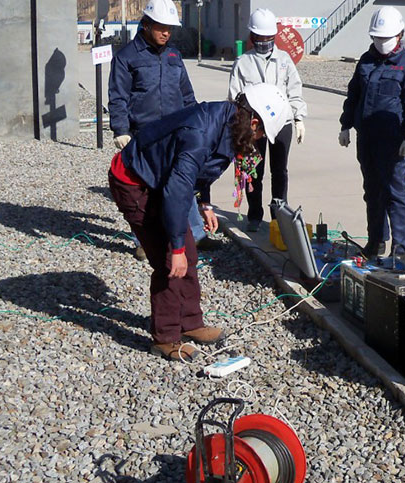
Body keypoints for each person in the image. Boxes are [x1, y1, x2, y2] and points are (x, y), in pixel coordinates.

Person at [107, 84, 290, 361]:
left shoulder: (230, 124)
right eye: (262, 132)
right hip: (134, 182)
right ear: (254, 122)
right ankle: (165, 338)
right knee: (170, 262)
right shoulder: (202, 132)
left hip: (161, 179)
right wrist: (177, 247)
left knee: (189, 255)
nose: (260, 139)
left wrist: (205, 205)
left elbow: (200, 171)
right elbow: (176, 191)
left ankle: (190, 323)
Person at [107, 0, 208, 258]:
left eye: (170, 28)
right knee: (145, 190)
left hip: (175, 133)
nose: (166, 33)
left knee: (181, 183)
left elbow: (187, 95)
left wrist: (197, 122)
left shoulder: (174, 56)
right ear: (147, 24)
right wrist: (121, 130)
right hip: (143, 135)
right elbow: (118, 97)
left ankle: (195, 234)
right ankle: (144, 239)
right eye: (161, 27)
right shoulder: (127, 57)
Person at [338, 6, 405, 261]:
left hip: (393, 142)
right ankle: (376, 240)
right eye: (377, 38)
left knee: (395, 193)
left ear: (400, 35)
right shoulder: (366, 61)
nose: (381, 43)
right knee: (372, 191)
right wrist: (346, 125)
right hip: (367, 138)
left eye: (386, 38)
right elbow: (354, 95)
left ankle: (401, 248)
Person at [228, 8, 308, 233]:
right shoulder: (243, 62)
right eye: (260, 38)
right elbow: (234, 95)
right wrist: (239, 127)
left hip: (281, 123)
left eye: (268, 38)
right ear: (252, 37)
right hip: (254, 127)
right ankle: (254, 215)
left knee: (280, 171)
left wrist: (298, 118)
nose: (264, 42)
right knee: (254, 170)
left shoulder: (284, 60)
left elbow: (294, 90)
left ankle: (278, 214)